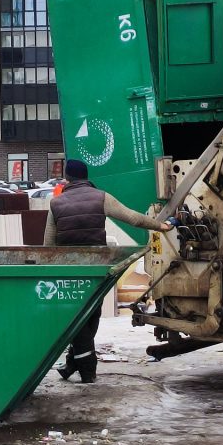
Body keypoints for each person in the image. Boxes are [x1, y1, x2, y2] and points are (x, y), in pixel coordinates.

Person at [44, 159, 172, 383]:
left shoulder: (56, 203)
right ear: (86, 176)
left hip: (69, 272)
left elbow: (48, 245)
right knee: (90, 316)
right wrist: (160, 226)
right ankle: (86, 370)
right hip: (96, 268)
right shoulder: (101, 197)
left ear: (68, 178)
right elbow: (132, 218)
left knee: (78, 318)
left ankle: (74, 364)